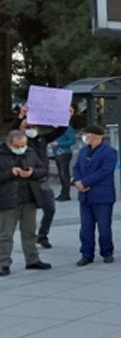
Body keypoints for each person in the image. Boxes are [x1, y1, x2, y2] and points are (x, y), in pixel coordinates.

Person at [9, 105, 67, 250]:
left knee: (50, 209)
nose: (31, 128)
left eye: (33, 125)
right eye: (28, 126)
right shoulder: (18, 141)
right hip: (25, 182)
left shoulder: (42, 139)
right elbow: (11, 130)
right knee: (26, 213)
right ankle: (27, 240)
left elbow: (60, 130)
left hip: (42, 180)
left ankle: (42, 235)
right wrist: (20, 116)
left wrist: (65, 116)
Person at [0, 130, 52, 276]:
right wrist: (11, 173)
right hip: (8, 200)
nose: (22, 147)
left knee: (29, 232)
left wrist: (32, 172)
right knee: (5, 235)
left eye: (24, 144)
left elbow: (43, 170)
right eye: (19, 145)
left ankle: (32, 260)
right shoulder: (1, 154)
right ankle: (3, 263)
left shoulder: (30, 152)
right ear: (10, 144)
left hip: (29, 198)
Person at [73, 125, 118, 266]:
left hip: (102, 195)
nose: (86, 137)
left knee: (104, 226)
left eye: (89, 135)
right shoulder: (83, 151)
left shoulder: (110, 152)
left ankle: (107, 252)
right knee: (86, 227)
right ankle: (86, 254)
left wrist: (86, 182)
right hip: (85, 196)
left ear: (98, 136)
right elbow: (76, 168)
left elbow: (105, 171)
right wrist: (77, 182)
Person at [51, 104, 77, 201]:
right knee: (62, 174)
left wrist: (58, 143)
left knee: (63, 174)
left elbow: (72, 140)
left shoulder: (67, 128)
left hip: (64, 153)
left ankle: (65, 194)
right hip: (58, 153)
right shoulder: (56, 129)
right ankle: (64, 193)